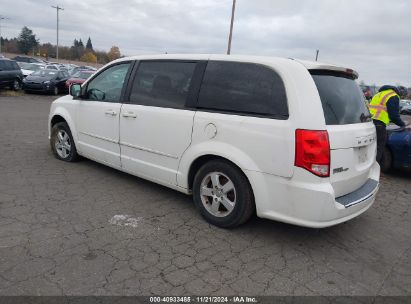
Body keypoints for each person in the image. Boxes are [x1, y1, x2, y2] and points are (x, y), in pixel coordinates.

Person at [369, 85, 407, 165]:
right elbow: (394, 116)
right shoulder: (393, 96)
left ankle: (367, 165)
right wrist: (403, 124)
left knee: (371, 147)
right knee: (379, 147)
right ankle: (374, 168)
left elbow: (379, 110)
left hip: (369, 123)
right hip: (379, 124)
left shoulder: (378, 94)